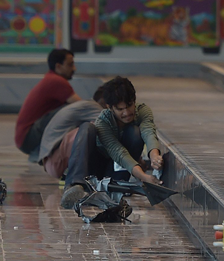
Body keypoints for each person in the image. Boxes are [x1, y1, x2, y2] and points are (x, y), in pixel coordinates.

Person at [60, 76, 164, 209]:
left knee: (135, 132)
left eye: (129, 106)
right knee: (87, 128)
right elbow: (119, 153)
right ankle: (74, 185)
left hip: (115, 172)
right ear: (110, 107)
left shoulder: (142, 111)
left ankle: (118, 184)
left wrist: (154, 156)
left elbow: (148, 132)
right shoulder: (103, 121)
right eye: (120, 109)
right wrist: (143, 177)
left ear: (134, 101)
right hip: (97, 168)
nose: (126, 113)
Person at [14, 49, 81, 161]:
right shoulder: (56, 81)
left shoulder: (51, 78)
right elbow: (81, 106)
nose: (74, 69)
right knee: (72, 111)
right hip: (28, 139)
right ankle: (42, 150)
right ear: (58, 66)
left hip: (24, 139)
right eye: (70, 65)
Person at [36, 86, 108, 179]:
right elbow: (108, 123)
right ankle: (76, 177)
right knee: (90, 128)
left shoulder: (84, 104)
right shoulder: (93, 106)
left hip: (51, 162)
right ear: (104, 102)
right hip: (56, 160)